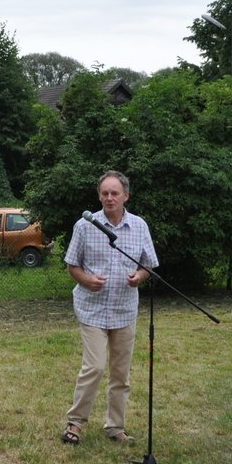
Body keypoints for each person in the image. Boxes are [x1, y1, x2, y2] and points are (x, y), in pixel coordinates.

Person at [60, 170, 158, 445]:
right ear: (99, 196)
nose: (109, 198)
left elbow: (148, 264)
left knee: (121, 373)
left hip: (124, 310)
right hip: (92, 309)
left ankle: (115, 426)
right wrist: (86, 279)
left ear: (126, 195)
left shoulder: (139, 226)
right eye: (105, 193)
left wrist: (140, 276)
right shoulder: (85, 225)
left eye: (115, 193)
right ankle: (75, 423)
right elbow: (72, 264)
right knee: (94, 367)